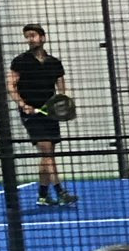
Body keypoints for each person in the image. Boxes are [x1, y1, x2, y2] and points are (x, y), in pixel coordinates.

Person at [8, 23, 78, 206]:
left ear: (43, 38)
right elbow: (11, 86)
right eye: (27, 36)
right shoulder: (20, 61)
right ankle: (61, 192)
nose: (30, 39)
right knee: (47, 151)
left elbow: (61, 87)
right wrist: (23, 105)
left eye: (33, 35)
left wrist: (62, 104)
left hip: (50, 113)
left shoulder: (54, 62)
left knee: (48, 155)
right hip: (31, 114)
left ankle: (43, 196)